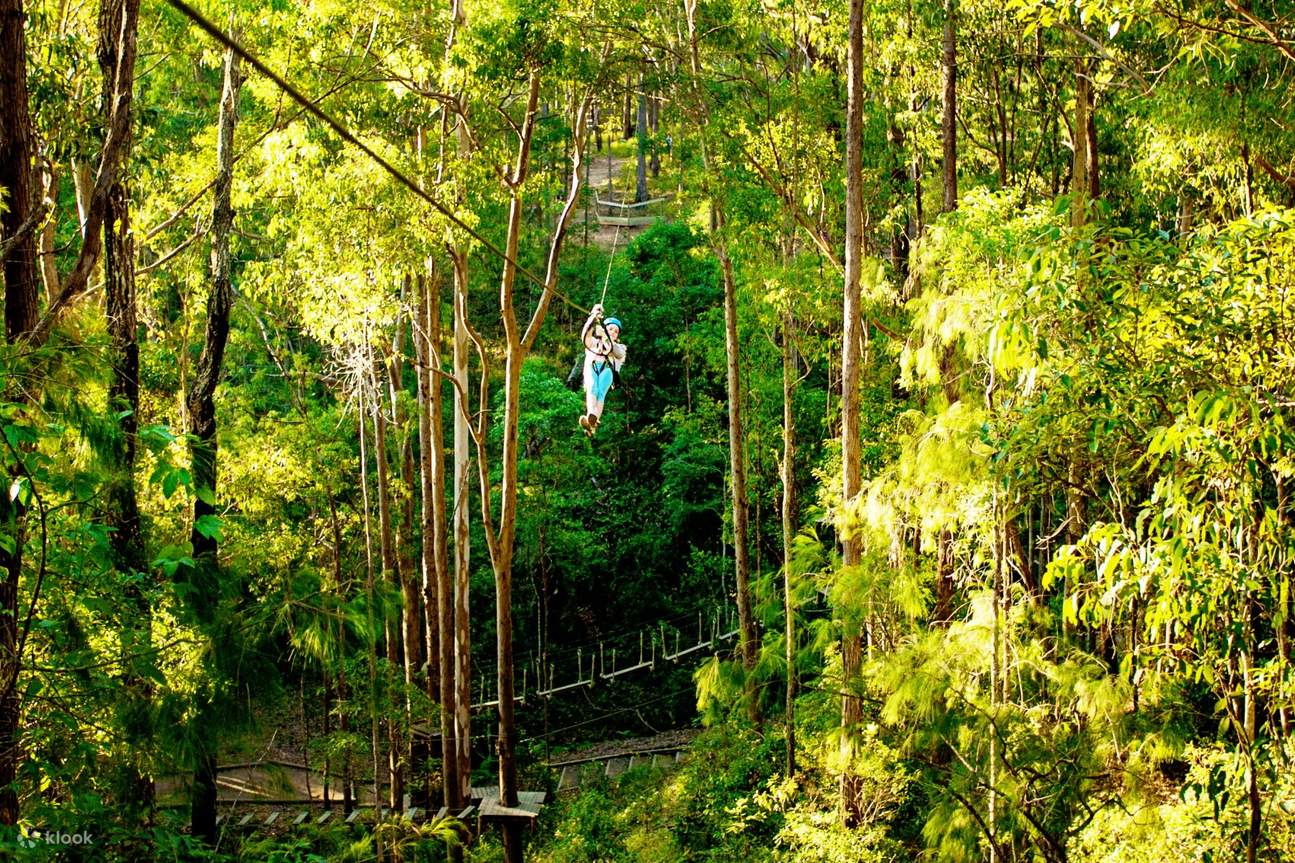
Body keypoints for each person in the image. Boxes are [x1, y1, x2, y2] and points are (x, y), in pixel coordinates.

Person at [579, 303, 626, 436]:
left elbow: (617, 353)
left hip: (607, 370)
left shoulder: (620, 347)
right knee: (592, 387)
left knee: (600, 392)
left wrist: (607, 338)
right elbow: (585, 336)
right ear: (604, 328)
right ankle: (591, 415)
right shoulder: (594, 342)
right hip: (592, 366)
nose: (613, 332)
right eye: (610, 329)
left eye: (616, 331)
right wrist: (593, 317)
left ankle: (594, 420)